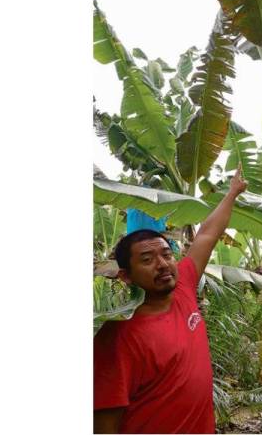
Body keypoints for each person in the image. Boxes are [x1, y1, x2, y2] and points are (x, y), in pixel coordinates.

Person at [93, 168, 247, 434]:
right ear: (126, 276)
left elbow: (207, 235)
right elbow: (105, 423)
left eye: (166, 254)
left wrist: (232, 193)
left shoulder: (183, 285)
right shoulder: (117, 337)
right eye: (147, 260)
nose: (162, 265)